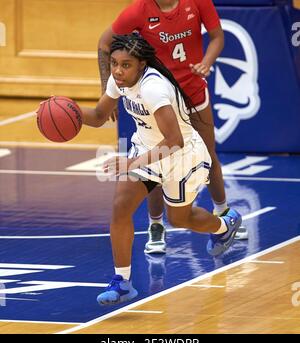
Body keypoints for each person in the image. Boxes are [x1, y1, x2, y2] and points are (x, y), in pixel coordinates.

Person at [80, 33, 242, 305]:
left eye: (126, 64)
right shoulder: (117, 81)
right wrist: (67, 109)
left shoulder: (153, 88)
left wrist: (130, 163)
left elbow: (174, 141)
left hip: (181, 155)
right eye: (114, 63)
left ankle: (225, 224)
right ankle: (122, 282)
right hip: (147, 148)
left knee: (180, 219)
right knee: (121, 206)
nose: (118, 70)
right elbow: (98, 117)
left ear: (142, 64)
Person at [98, 0, 247, 255]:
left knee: (208, 153)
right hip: (159, 99)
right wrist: (106, 91)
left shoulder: (197, 3)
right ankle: (156, 226)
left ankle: (222, 212)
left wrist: (207, 62)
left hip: (192, 93)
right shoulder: (138, 10)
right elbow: (104, 44)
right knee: (154, 162)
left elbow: (217, 37)